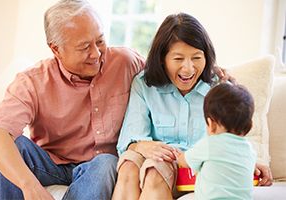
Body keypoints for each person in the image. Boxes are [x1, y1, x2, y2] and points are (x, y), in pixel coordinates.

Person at [0, 0, 145, 199]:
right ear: (56, 50)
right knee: (6, 147)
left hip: (101, 167)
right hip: (51, 164)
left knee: (106, 162)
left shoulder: (126, 62)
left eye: (100, 41)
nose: (96, 54)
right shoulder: (33, 81)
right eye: (84, 47)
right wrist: (30, 186)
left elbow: (163, 87)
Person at [112, 13, 273, 200]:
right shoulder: (144, 84)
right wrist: (142, 145)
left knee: (154, 170)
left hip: (198, 166)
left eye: (196, 58)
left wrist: (250, 161)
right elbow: (128, 142)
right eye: (178, 59)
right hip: (159, 160)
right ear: (162, 58)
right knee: (130, 165)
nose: (188, 69)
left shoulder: (219, 87)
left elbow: (235, 138)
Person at [175, 83, 256, 199]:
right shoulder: (250, 150)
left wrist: (179, 155)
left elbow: (183, 161)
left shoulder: (209, 144)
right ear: (249, 126)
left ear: (211, 124)